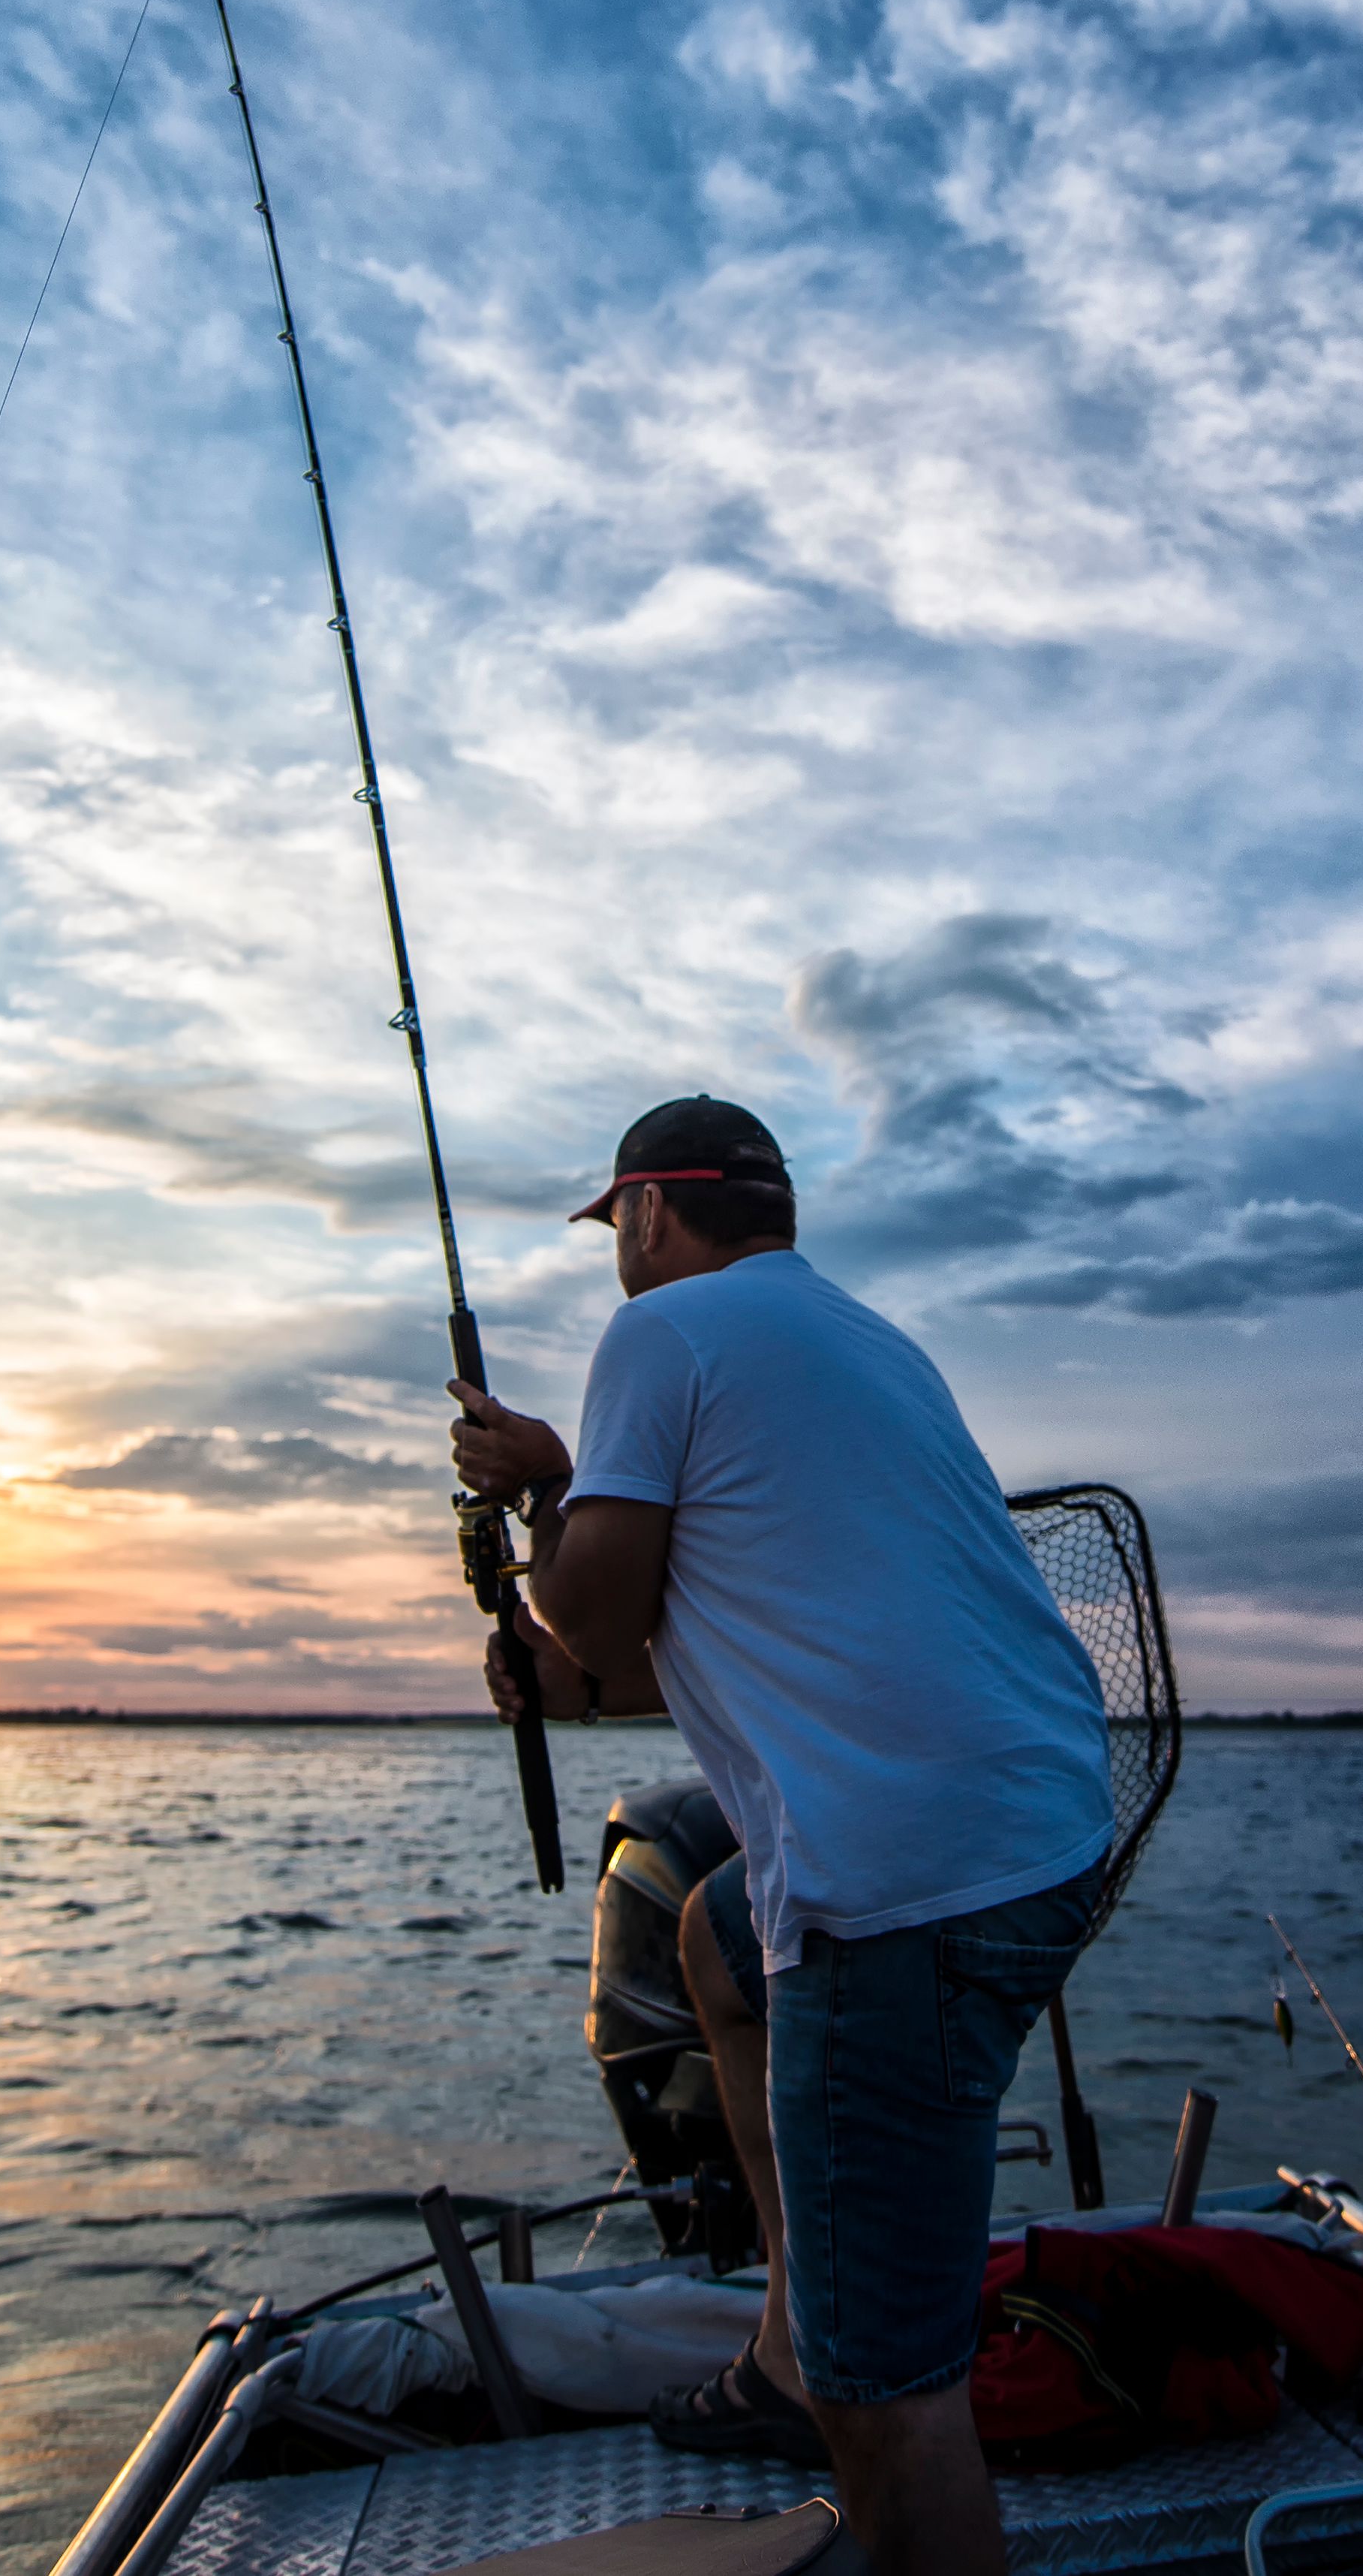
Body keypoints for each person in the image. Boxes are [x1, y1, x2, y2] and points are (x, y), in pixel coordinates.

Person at [450, 1095, 1115, 2576]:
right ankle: (786, 2347)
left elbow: (596, 1607)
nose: (617, 1253)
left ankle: (843, 2369)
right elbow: (669, 1649)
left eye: (615, 1225)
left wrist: (546, 1486)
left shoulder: (661, 1336)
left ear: (646, 1212)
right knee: (717, 1934)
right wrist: (561, 1674)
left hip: (907, 1883)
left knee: (897, 2397)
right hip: (1045, 1830)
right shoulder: (867, 1342)